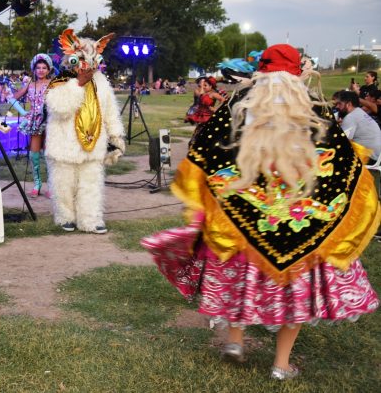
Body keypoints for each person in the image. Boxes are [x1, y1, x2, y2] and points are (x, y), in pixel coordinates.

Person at [141, 44, 379, 381]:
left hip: (245, 213)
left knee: (240, 282)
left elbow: (205, 149)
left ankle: (235, 342)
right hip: (300, 218)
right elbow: (344, 163)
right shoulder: (313, 107)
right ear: (297, 74)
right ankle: (281, 365)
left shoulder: (240, 104)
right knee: (296, 291)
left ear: (261, 72)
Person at [44, 29, 125, 234]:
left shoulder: (102, 82)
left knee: (91, 183)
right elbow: (59, 109)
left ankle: (90, 219)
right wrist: (79, 83)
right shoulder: (60, 81)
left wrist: (115, 136)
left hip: (93, 144)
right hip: (64, 145)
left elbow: (109, 111)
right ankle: (66, 216)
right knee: (64, 184)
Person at [8, 54, 54, 197]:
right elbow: (12, 98)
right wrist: (24, 112)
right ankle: (37, 184)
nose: (41, 70)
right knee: (34, 154)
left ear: (49, 69)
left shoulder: (53, 83)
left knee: (49, 155)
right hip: (34, 122)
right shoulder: (30, 84)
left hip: (49, 122)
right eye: (38, 67)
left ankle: (51, 186)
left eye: (44, 68)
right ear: (34, 69)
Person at [336, 91, 381, 161]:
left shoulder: (350, 117)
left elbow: (342, 142)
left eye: (340, 104)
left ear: (348, 104)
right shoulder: (359, 112)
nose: (337, 106)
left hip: (370, 158)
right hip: (377, 155)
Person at [185, 76, 224, 143]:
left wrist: (216, 108)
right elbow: (200, 94)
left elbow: (223, 100)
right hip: (201, 115)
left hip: (208, 116)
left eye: (206, 85)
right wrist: (203, 84)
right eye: (204, 85)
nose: (204, 87)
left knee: (205, 133)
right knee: (197, 134)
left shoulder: (213, 94)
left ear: (211, 86)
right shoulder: (203, 93)